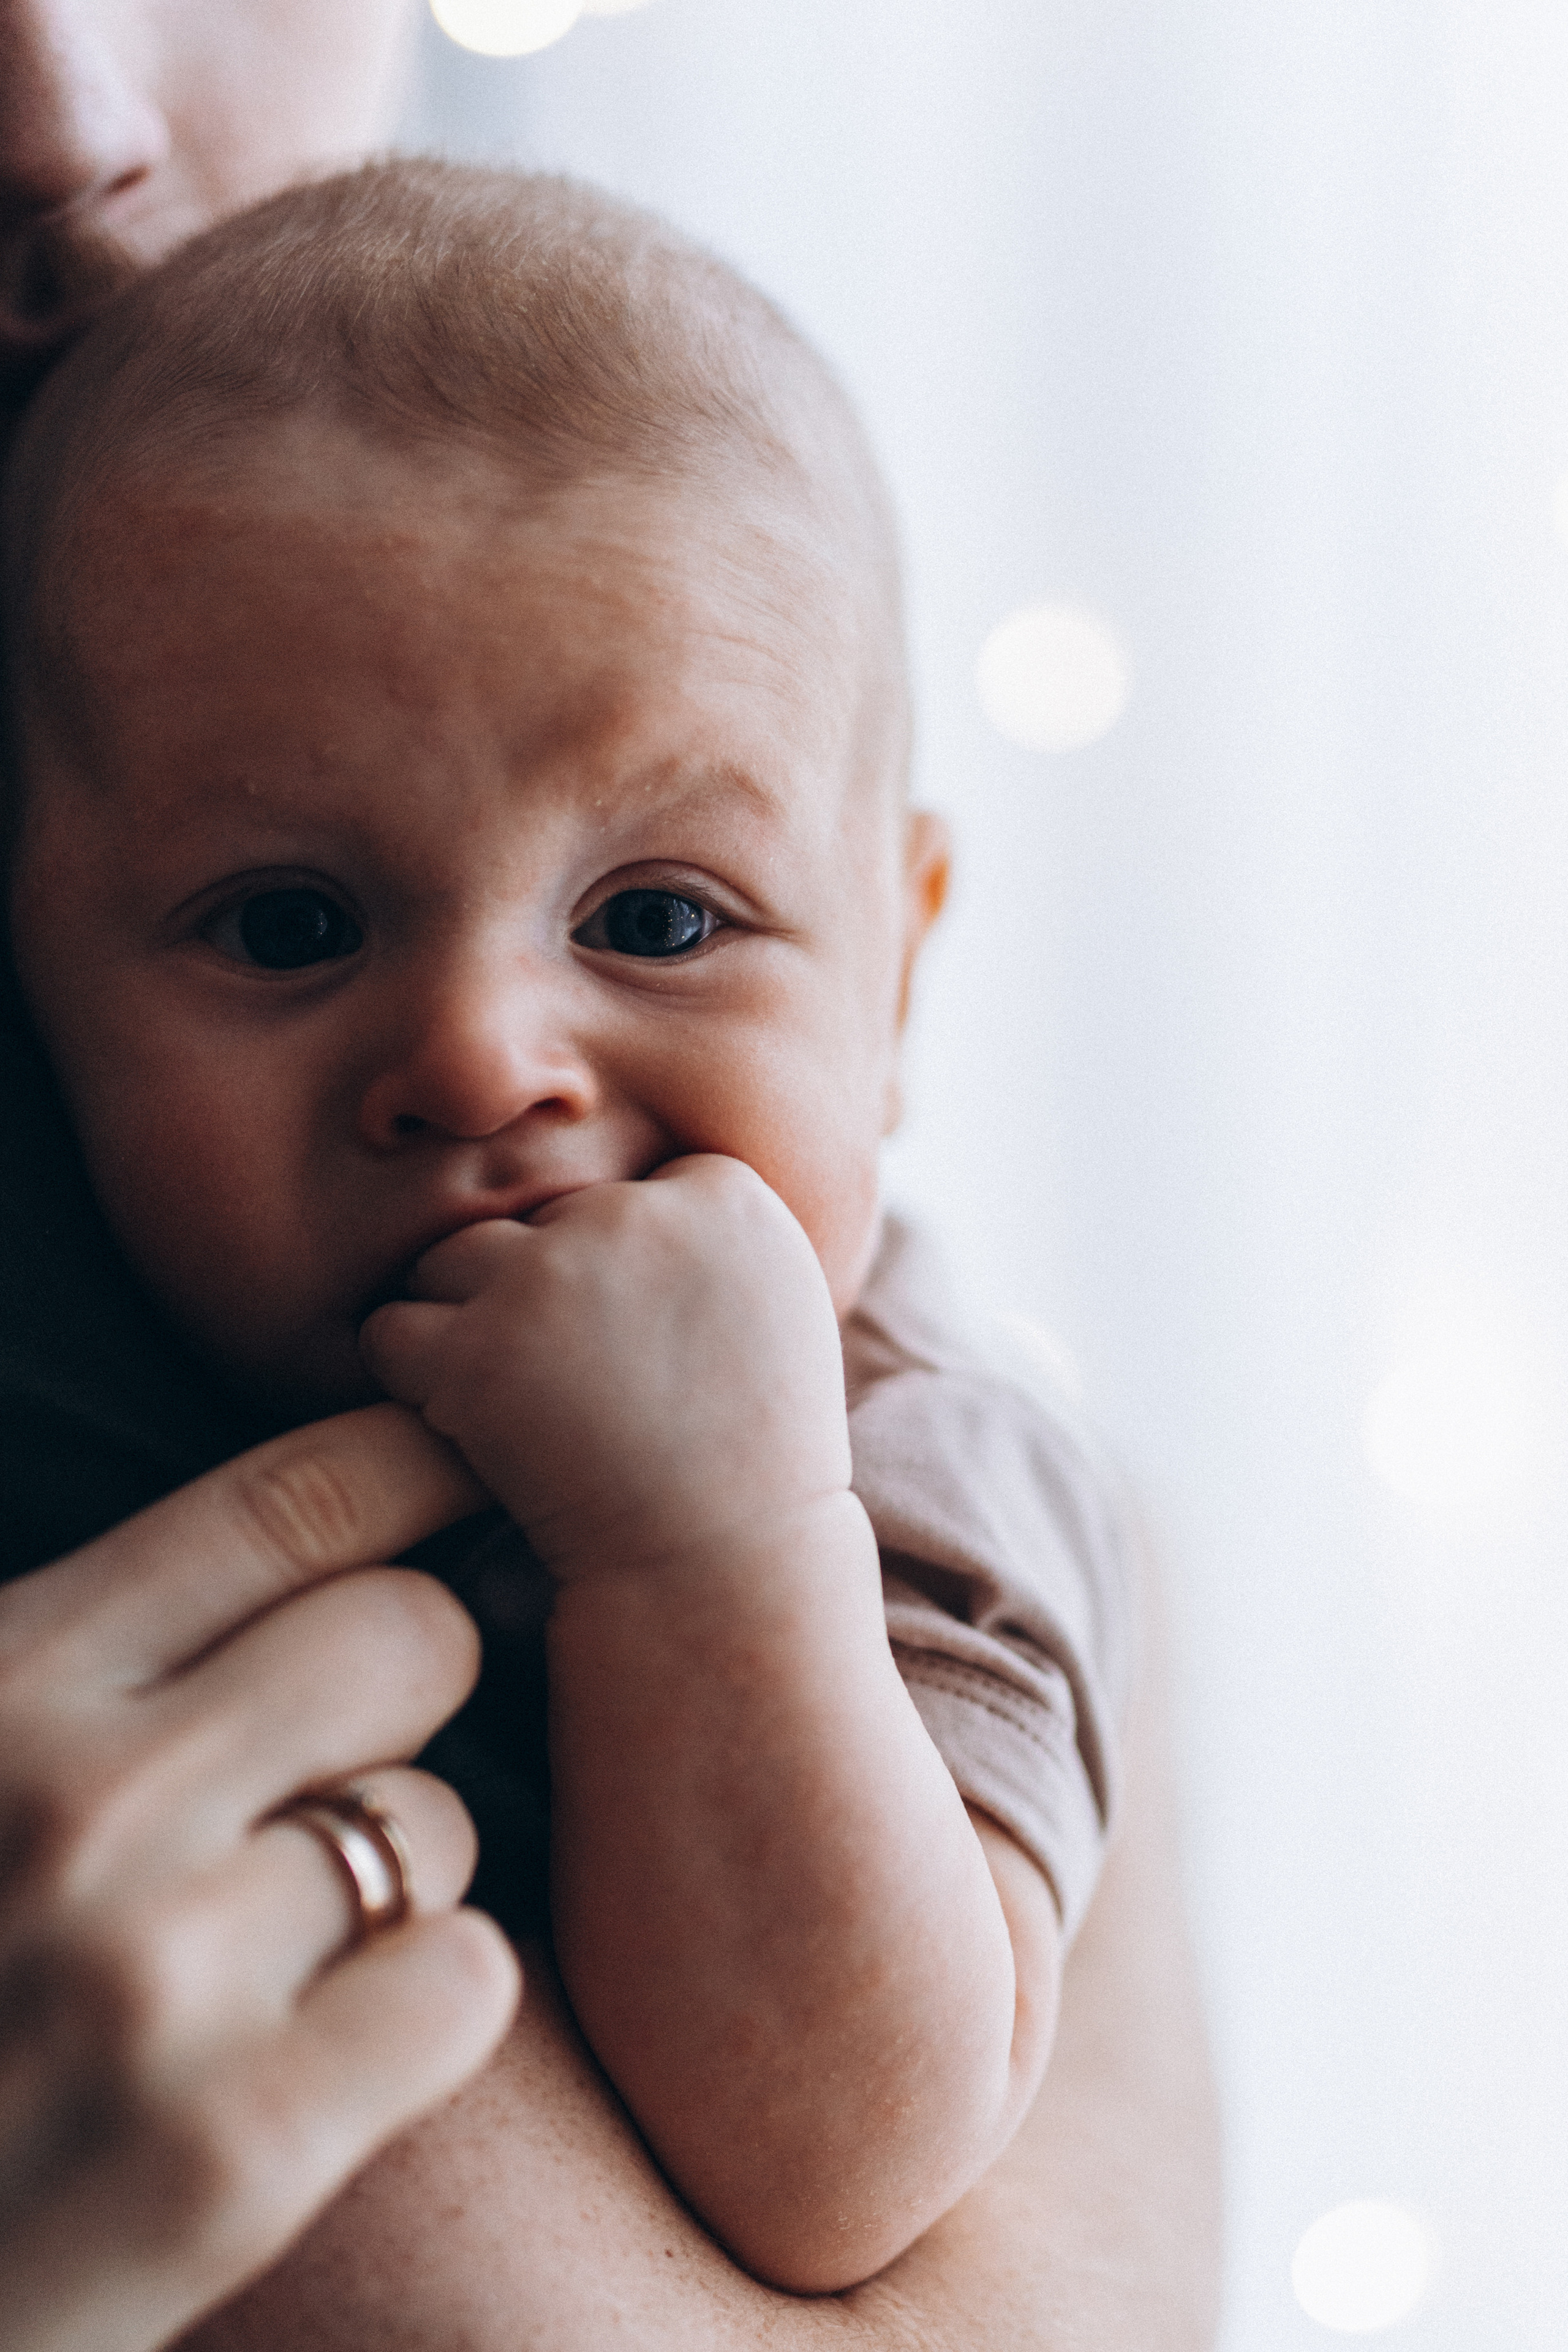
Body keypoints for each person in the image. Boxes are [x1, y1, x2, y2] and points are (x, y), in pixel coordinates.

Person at [0, 9, 1220, 2348]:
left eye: (659, 920)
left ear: (902, 973)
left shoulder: (911, 1464)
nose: (479, 1053)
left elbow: (855, 2159)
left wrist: (722, 1545)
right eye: (287, 925)